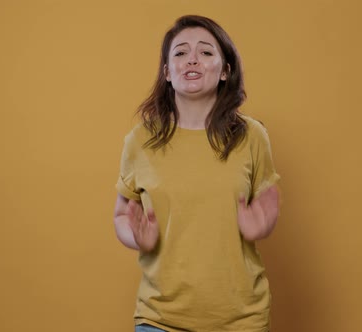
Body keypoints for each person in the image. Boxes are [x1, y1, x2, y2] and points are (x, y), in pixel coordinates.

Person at [113, 15, 280, 332]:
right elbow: (121, 214)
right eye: (180, 52)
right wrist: (135, 236)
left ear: (225, 70)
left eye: (205, 52)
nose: (192, 59)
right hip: (159, 317)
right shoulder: (140, 141)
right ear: (167, 72)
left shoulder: (252, 136)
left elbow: (267, 207)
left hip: (241, 319)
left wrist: (264, 224)